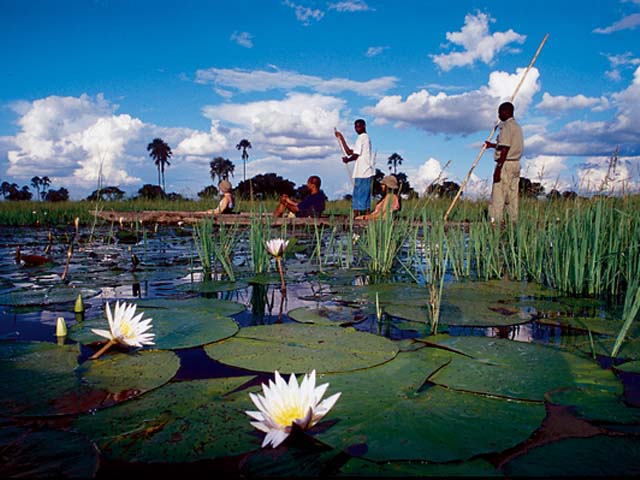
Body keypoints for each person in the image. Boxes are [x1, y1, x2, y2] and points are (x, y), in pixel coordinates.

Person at [484, 101, 523, 224]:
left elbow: (505, 149)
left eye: (500, 112)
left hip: (505, 164)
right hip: (515, 164)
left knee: (498, 195)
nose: (499, 115)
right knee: (512, 196)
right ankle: (513, 221)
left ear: (507, 112)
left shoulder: (506, 126)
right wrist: (492, 146)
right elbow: (505, 145)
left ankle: (495, 221)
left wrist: (498, 169)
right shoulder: (517, 126)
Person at [334, 119, 375, 216]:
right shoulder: (361, 138)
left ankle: (362, 215)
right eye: (355, 127)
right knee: (358, 194)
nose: (357, 129)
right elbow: (349, 152)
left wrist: (347, 160)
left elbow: (355, 155)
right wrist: (341, 138)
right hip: (360, 171)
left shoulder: (363, 137)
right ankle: (357, 215)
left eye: (359, 126)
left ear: (364, 126)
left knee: (363, 194)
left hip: (364, 171)